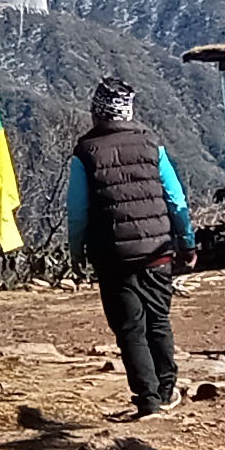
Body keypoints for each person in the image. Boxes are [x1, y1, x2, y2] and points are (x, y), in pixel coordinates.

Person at [63, 75, 189, 415]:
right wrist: (187, 242)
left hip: (112, 256)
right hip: (157, 253)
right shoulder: (153, 146)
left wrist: (77, 253)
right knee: (159, 321)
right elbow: (176, 200)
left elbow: (77, 212)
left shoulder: (85, 152)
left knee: (130, 328)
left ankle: (147, 400)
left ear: (97, 112)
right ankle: (167, 389)